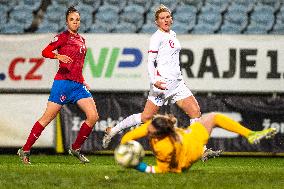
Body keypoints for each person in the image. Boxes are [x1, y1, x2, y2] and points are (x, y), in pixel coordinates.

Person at [102, 4, 201, 148]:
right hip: (162, 84)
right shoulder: (156, 37)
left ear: (171, 19)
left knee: (195, 111)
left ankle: (199, 148)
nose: (165, 20)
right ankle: (113, 130)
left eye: (168, 17)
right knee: (145, 117)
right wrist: (154, 81)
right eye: (162, 18)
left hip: (178, 84)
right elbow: (150, 62)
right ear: (157, 22)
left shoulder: (172, 34)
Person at [17, 6, 99, 164]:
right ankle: (25, 149)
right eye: (72, 20)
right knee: (47, 118)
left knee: (93, 116)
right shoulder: (62, 37)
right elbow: (45, 52)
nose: (75, 22)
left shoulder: (82, 40)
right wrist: (58, 56)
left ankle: (75, 148)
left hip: (77, 85)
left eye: (77, 20)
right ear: (67, 22)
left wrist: (82, 80)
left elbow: (78, 65)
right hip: (62, 83)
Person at [120, 113, 277, 173]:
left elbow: (163, 170)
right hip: (188, 134)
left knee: (214, 118)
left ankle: (250, 134)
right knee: (213, 118)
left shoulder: (165, 147)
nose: (147, 131)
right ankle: (249, 134)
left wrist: (136, 165)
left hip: (191, 149)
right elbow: (130, 135)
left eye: (151, 132)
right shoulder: (154, 125)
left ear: (161, 135)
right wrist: (123, 145)